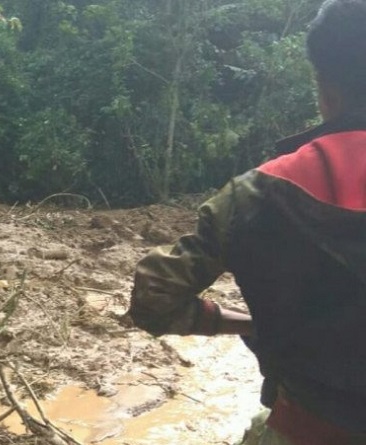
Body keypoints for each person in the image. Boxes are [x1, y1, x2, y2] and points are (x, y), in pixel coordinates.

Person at [127, 1, 366, 444]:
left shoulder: (255, 193)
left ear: (323, 87)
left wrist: (250, 323)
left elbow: (154, 298)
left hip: (307, 428)